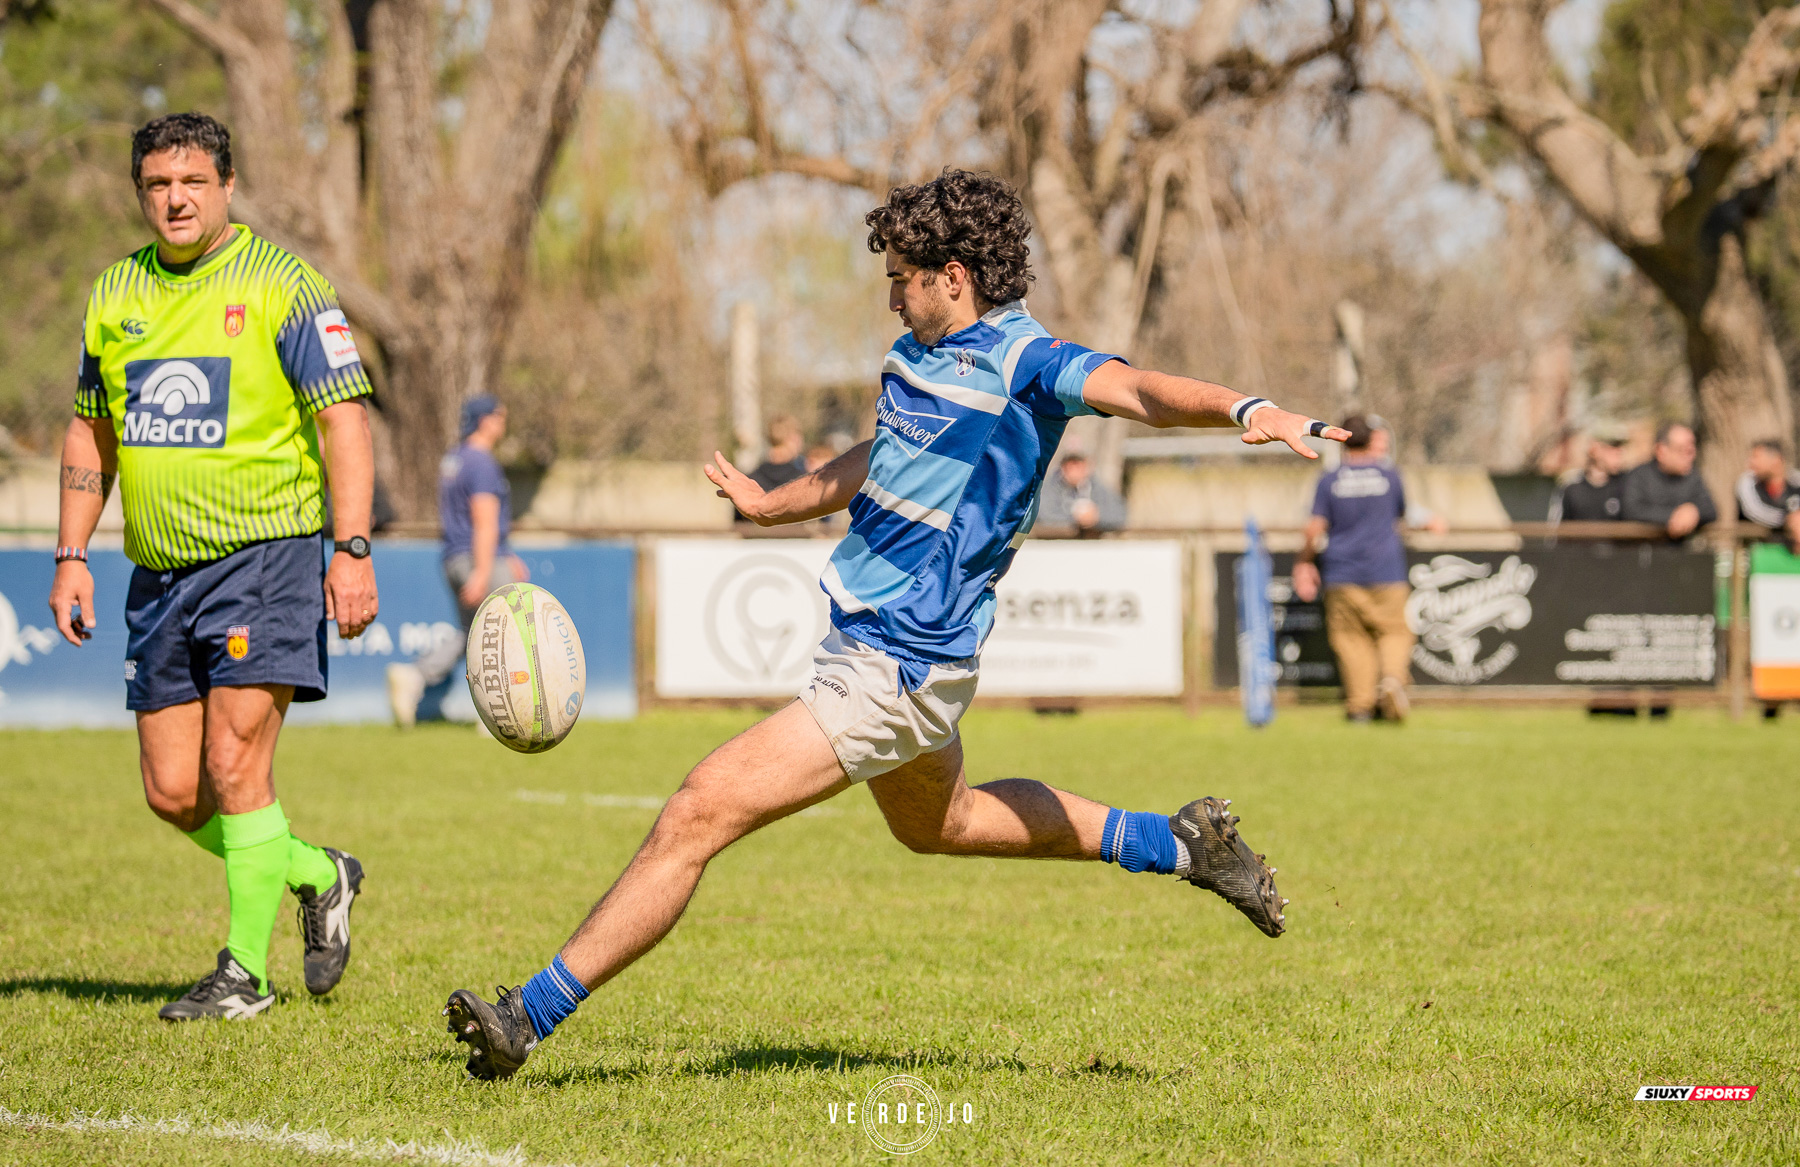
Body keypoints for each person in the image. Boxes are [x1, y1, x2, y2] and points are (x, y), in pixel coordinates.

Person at [441, 168, 1347, 1080]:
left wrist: (1248, 408)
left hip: (900, 662)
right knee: (939, 821)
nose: (890, 294)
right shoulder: (914, 359)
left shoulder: (1027, 363)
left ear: (953, 276)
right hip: (883, 649)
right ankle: (1179, 843)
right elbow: (879, 457)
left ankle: (527, 1014)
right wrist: (773, 503)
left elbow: (1142, 388)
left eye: (902, 276)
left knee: (698, 806)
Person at [47, 113, 372, 1020]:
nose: (175, 198)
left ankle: (242, 974)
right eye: (157, 184)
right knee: (174, 792)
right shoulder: (115, 293)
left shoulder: (286, 285)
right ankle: (317, 869)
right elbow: (90, 425)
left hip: (264, 554)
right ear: (140, 192)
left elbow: (345, 417)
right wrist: (72, 553)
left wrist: (350, 548)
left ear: (227, 185)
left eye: (192, 180)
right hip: (157, 574)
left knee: (235, 765)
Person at [386, 396, 529, 726]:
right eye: (499, 416)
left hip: (453, 557)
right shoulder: (481, 462)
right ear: (486, 420)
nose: (503, 423)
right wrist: (483, 569)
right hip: (477, 559)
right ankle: (499, 713)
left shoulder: (455, 459)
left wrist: (504, 554)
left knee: (473, 632)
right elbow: (483, 519)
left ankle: (415, 675)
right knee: (507, 634)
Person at [1292, 415, 1442, 723]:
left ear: (1341, 440)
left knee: (1350, 640)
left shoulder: (1330, 480)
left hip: (1342, 573)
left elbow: (1313, 529)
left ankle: (1359, 706)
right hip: (1387, 571)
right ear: (1372, 440)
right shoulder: (1390, 476)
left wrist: (1304, 562)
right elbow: (1404, 514)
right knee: (1394, 632)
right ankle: (1390, 680)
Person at [1621, 422, 1717, 538]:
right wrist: (1674, 516)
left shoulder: (1692, 476)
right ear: (1661, 451)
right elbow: (1631, 511)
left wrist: (1694, 511)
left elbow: (1710, 509)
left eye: (1692, 450)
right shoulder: (1638, 476)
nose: (1690, 456)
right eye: (1682, 450)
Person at [1034, 451, 1127, 536]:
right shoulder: (1049, 487)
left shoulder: (1097, 487)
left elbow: (1119, 514)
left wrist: (1097, 518)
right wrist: (1075, 518)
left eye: (1079, 467)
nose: (1075, 472)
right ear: (1063, 468)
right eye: (1071, 467)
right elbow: (1042, 515)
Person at [1548, 430, 1628, 522]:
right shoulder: (1571, 487)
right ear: (1594, 449)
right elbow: (1556, 529)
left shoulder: (1625, 484)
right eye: (1613, 447)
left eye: (1620, 448)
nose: (1619, 453)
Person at [1735, 439, 1800, 551]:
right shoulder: (1747, 483)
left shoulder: (1795, 482)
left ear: (1776, 460)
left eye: (1756, 457)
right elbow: (1753, 512)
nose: (1751, 463)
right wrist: (1788, 519)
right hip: (1761, 546)